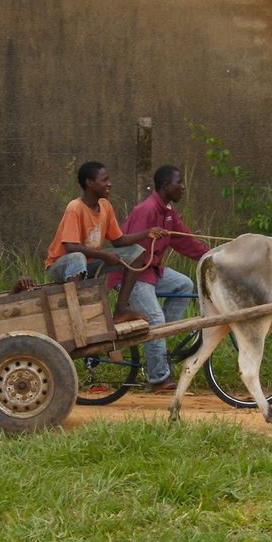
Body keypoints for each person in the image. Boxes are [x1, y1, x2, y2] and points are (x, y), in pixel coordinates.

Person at [107, 164, 210, 393]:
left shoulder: (168, 212)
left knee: (184, 285)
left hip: (150, 271)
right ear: (166, 186)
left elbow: (185, 241)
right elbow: (134, 257)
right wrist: (122, 302)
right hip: (130, 273)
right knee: (155, 318)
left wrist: (211, 256)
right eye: (179, 183)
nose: (183, 187)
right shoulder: (147, 210)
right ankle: (158, 379)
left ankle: (160, 346)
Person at [44, 161, 166, 324]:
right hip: (62, 266)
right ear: (90, 183)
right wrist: (103, 255)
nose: (110, 184)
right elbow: (70, 247)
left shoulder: (105, 206)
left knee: (137, 252)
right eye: (105, 180)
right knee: (78, 257)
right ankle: (77, 314)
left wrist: (147, 233)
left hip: (87, 264)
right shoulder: (75, 208)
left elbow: (119, 240)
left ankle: (121, 309)